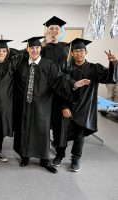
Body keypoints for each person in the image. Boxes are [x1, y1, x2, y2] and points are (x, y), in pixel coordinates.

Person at [13, 36, 90, 173]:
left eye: (37, 47)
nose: (35, 50)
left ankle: (44, 160)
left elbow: (61, 79)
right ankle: (25, 156)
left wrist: (73, 83)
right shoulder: (21, 64)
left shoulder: (49, 65)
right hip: (24, 105)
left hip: (42, 104)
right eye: (32, 47)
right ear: (28, 49)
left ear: (41, 48)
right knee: (24, 129)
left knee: (42, 131)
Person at [52, 38, 117, 172]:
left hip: (85, 107)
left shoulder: (94, 68)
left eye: (81, 50)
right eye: (75, 51)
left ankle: (75, 159)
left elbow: (110, 78)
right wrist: (64, 107)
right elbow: (59, 90)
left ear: (86, 52)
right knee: (62, 133)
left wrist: (112, 63)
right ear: (72, 53)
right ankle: (59, 155)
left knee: (79, 134)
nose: (79, 53)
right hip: (68, 107)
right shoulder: (66, 70)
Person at [40, 16, 70, 148]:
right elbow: (31, 57)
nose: (54, 30)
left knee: (59, 119)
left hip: (61, 86)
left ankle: (58, 145)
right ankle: (43, 145)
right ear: (47, 31)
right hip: (44, 87)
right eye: (51, 28)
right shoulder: (42, 46)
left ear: (61, 31)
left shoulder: (67, 47)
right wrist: (44, 43)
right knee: (43, 118)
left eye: (57, 28)